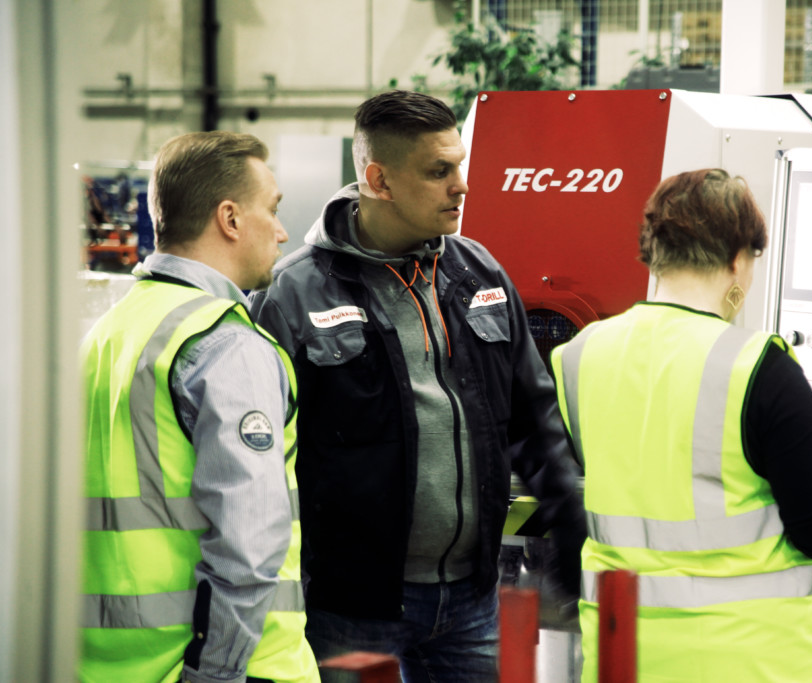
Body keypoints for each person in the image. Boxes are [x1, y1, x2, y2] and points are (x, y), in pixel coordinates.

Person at [248, 90, 586, 682]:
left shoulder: (478, 273)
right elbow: (265, 465)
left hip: (473, 602)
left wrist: (570, 535)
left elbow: (533, 419)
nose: (461, 185)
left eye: (459, 166)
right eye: (439, 172)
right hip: (353, 609)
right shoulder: (294, 296)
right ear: (378, 179)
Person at [551, 168, 812, 682]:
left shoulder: (579, 355)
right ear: (739, 260)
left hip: (621, 658)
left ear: (654, 254)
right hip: (750, 662)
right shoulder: (758, 365)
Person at [79, 131, 320, 683]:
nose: (283, 232)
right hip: (233, 669)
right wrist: (214, 674)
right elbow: (251, 543)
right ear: (230, 219)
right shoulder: (226, 345)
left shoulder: (107, 333)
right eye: (274, 210)